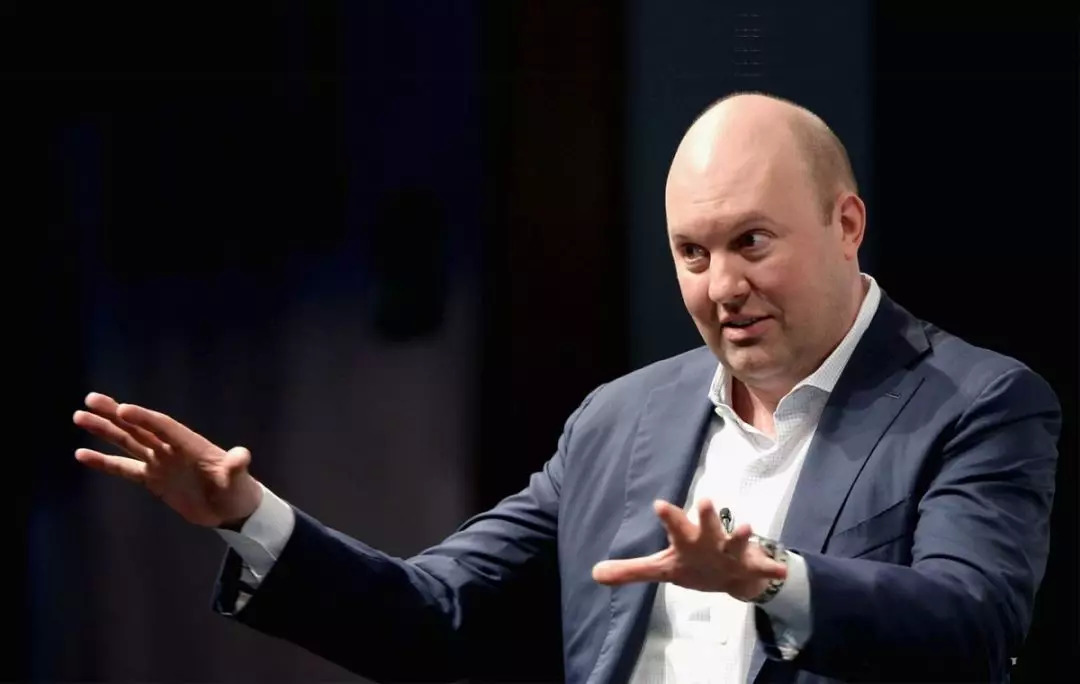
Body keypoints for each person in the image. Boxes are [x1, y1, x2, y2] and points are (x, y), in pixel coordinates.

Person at [73, 92, 1060, 683]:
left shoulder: (975, 402)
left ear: (846, 224)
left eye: (752, 242)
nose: (722, 287)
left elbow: (971, 627)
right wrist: (248, 517)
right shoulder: (621, 422)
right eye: (692, 253)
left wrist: (769, 578)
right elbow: (433, 613)